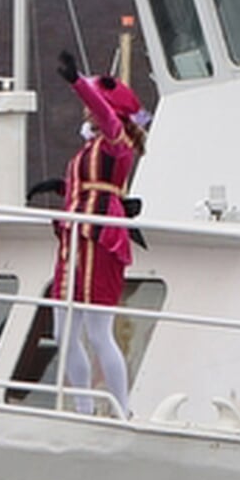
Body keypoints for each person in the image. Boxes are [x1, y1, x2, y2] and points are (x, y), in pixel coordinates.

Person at [49, 49, 146, 417]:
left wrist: (77, 82)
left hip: (99, 238)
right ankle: (83, 406)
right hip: (73, 238)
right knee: (63, 332)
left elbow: (105, 114)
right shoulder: (94, 147)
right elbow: (89, 184)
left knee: (98, 331)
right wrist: (60, 186)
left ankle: (121, 409)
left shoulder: (115, 139)